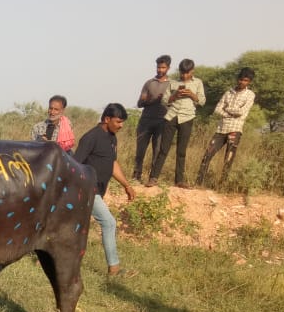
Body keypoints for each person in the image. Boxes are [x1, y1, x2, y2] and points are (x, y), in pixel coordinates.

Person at [73, 103, 137, 277]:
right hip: (88, 189)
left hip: (99, 190)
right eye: (118, 122)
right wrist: (82, 189)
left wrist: (127, 185)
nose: (121, 126)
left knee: (75, 227)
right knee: (109, 222)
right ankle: (114, 269)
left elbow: (112, 163)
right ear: (107, 119)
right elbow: (75, 165)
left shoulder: (112, 137)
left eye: (122, 122)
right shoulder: (91, 137)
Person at [147, 58, 205, 188]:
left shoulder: (198, 83)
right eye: (182, 72)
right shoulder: (173, 83)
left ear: (192, 71)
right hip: (171, 116)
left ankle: (179, 181)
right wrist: (175, 95)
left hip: (187, 117)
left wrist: (191, 94)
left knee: (181, 151)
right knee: (163, 149)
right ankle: (153, 178)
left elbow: (201, 101)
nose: (184, 75)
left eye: (187, 73)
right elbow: (165, 101)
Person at [196, 68, 256, 188]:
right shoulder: (229, 92)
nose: (242, 82)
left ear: (249, 82)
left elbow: (242, 112)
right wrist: (229, 113)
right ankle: (198, 183)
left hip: (235, 129)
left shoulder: (250, 95)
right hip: (221, 129)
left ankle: (222, 186)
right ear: (238, 79)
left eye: (245, 80)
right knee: (207, 155)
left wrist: (227, 109)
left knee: (228, 159)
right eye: (241, 79)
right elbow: (217, 109)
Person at [132, 55, 171, 181]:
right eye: (158, 67)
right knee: (140, 150)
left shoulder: (172, 85)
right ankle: (136, 175)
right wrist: (151, 100)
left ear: (168, 68)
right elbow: (140, 103)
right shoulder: (149, 83)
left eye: (163, 67)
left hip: (162, 121)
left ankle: (153, 177)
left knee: (157, 151)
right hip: (146, 121)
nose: (160, 70)